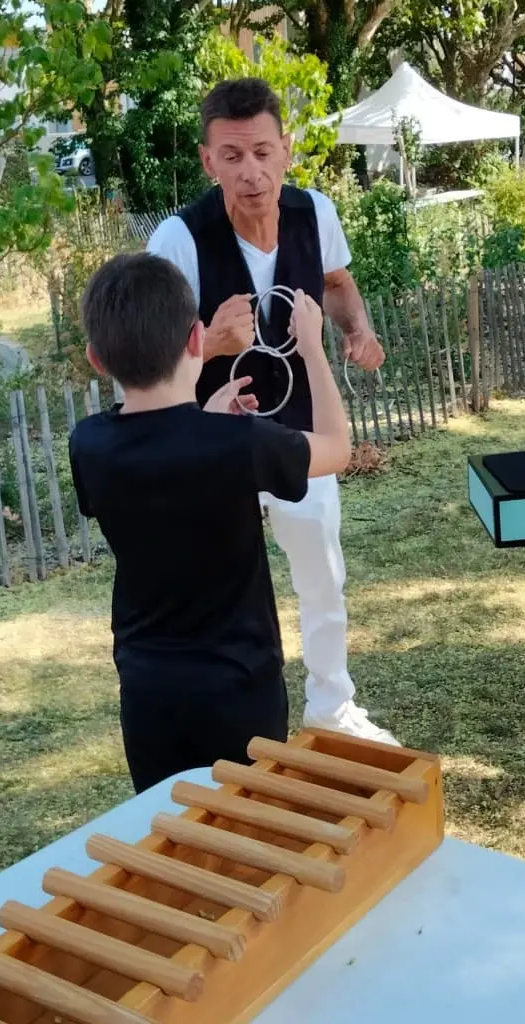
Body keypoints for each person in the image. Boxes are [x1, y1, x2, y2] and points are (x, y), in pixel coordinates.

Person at [147, 77, 398, 745]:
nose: (250, 172)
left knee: (322, 571)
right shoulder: (177, 240)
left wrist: (357, 329)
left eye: (262, 152)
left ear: (286, 149)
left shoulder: (316, 212)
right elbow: (148, 364)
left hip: (302, 431)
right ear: (208, 161)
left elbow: (336, 283)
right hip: (211, 441)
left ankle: (331, 705)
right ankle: (222, 722)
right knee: (216, 588)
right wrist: (211, 344)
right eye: (232, 156)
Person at [68, 251, 352, 793]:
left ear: (96, 360)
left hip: (148, 692)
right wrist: (312, 348)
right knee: (246, 828)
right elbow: (337, 449)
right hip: (239, 690)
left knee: (170, 827)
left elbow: (164, 461)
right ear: (197, 339)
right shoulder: (238, 444)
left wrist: (205, 420)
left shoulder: (88, 444)